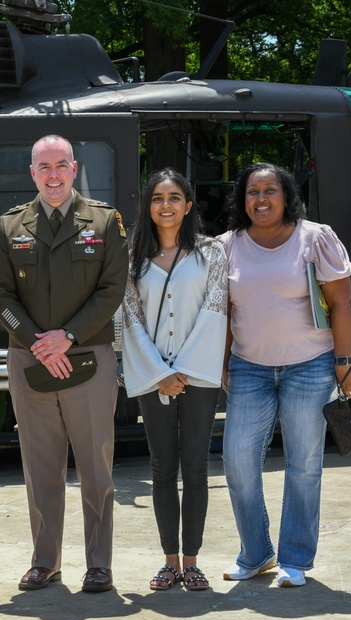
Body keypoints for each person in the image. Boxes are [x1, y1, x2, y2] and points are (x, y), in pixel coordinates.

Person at [0, 134, 128, 593]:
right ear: (32, 173)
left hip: (89, 356)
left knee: (96, 466)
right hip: (31, 359)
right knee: (41, 466)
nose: (53, 174)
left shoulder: (105, 222)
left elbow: (112, 291)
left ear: (74, 168)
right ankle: (45, 560)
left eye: (61, 165)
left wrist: (66, 337)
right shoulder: (11, 226)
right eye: (43, 166)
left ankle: (99, 564)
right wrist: (37, 341)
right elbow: (1, 295)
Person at [218, 162, 351, 588]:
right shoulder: (227, 245)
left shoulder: (314, 238)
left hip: (310, 366)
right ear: (242, 200)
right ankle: (256, 553)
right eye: (252, 192)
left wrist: (343, 362)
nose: (261, 199)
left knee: (304, 465)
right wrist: (223, 363)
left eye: (270, 190)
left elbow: (342, 303)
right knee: (238, 461)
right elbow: (225, 310)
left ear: (287, 196)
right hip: (249, 368)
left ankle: (295, 559)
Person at [121, 169, 228, 592]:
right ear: (148, 207)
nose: (166, 205)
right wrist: (160, 373)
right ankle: (168, 562)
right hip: (154, 377)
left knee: (196, 467)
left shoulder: (211, 253)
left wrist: (182, 369)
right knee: (163, 468)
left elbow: (215, 310)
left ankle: (192, 561)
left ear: (188, 205)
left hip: (197, 375)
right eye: (157, 198)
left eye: (174, 197)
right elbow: (129, 316)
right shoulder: (134, 256)